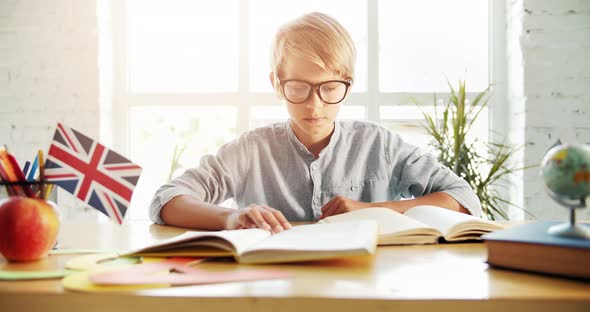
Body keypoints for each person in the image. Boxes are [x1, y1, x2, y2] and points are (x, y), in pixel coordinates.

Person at [149, 12, 482, 233]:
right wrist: (232, 217)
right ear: (277, 84)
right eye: (298, 87)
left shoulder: (379, 145)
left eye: (330, 88)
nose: (314, 104)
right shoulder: (252, 150)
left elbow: (463, 197)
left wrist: (371, 209)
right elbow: (166, 201)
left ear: (347, 84)